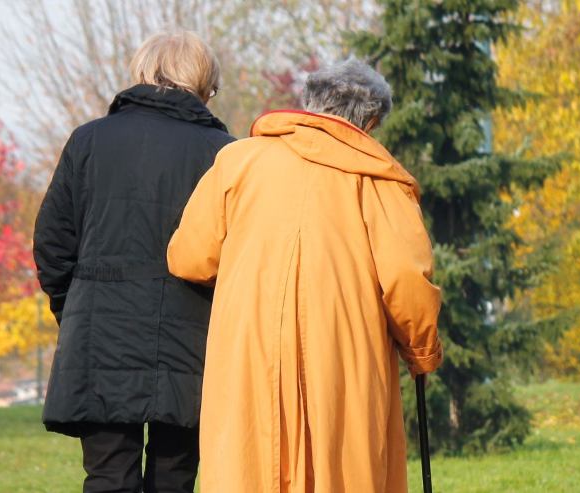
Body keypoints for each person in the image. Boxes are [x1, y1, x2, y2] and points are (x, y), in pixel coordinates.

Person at [167, 58, 443, 492]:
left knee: (251, 463)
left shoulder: (238, 161)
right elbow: (407, 280)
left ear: (310, 104)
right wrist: (422, 352)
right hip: (344, 351)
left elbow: (189, 257)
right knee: (342, 467)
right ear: (369, 121)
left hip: (250, 347)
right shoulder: (381, 182)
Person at [33, 30, 234, 493]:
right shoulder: (225, 154)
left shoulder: (88, 142)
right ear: (204, 83)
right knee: (175, 478)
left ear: (143, 72)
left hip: (99, 337)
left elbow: (52, 243)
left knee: (107, 478)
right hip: (194, 341)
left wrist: (78, 309)